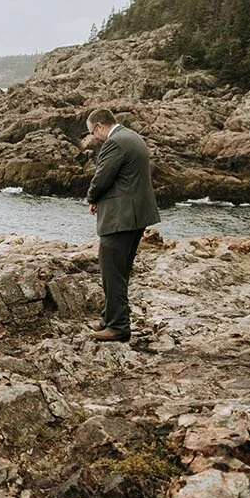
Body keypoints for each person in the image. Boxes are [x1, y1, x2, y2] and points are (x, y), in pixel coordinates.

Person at [85, 108, 160, 343]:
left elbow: (102, 177)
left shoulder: (115, 143)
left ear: (99, 126)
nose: (94, 138)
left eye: (92, 133)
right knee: (120, 270)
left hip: (121, 218)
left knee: (112, 272)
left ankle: (117, 327)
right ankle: (109, 318)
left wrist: (92, 197)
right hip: (136, 216)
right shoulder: (132, 136)